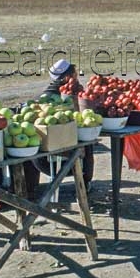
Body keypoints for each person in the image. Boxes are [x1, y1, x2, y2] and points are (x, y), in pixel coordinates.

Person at [23, 59, 94, 198]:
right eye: (75, 74)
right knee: (86, 137)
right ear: (68, 77)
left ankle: (30, 188)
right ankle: (85, 183)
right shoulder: (68, 101)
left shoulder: (40, 99)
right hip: (66, 163)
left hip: (38, 160)